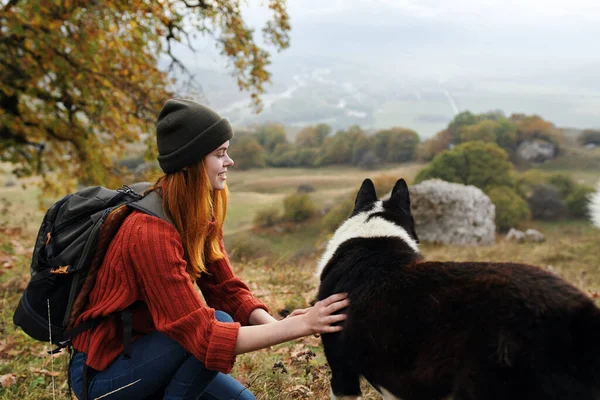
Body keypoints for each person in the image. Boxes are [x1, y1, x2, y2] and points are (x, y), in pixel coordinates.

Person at [68, 99, 349, 400]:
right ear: (190, 162)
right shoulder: (149, 233)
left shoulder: (197, 213)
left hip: (156, 351)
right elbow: (204, 337)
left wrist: (281, 325)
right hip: (104, 373)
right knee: (218, 324)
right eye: (220, 154)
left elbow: (226, 290)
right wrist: (303, 325)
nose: (230, 162)